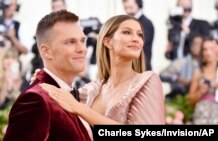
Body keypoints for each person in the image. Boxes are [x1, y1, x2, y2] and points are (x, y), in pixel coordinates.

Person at [37, 14, 165, 126]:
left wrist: (79, 108)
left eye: (140, 35)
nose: (136, 39)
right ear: (107, 42)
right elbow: (59, 96)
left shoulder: (148, 81)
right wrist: (45, 78)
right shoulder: (91, 90)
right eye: (127, 32)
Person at [3, 10, 92, 141]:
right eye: (70, 42)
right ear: (47, 51)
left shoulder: (83, 95)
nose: (81, 49)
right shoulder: (36, 100)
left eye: (82, 40)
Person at [188, 36, 218, 124]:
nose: (208, 52)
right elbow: (190, 100)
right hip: (202, 115)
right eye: (205, 49)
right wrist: (200, 92)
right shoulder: (198, 73)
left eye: (211, 48)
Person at [122, 0, 154, 70]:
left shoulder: (146, 23)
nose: (127, 11)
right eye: (125, 8)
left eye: (130, 7)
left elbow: (139, 43)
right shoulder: (128, 22)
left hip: (142, 68)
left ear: (139, 5)